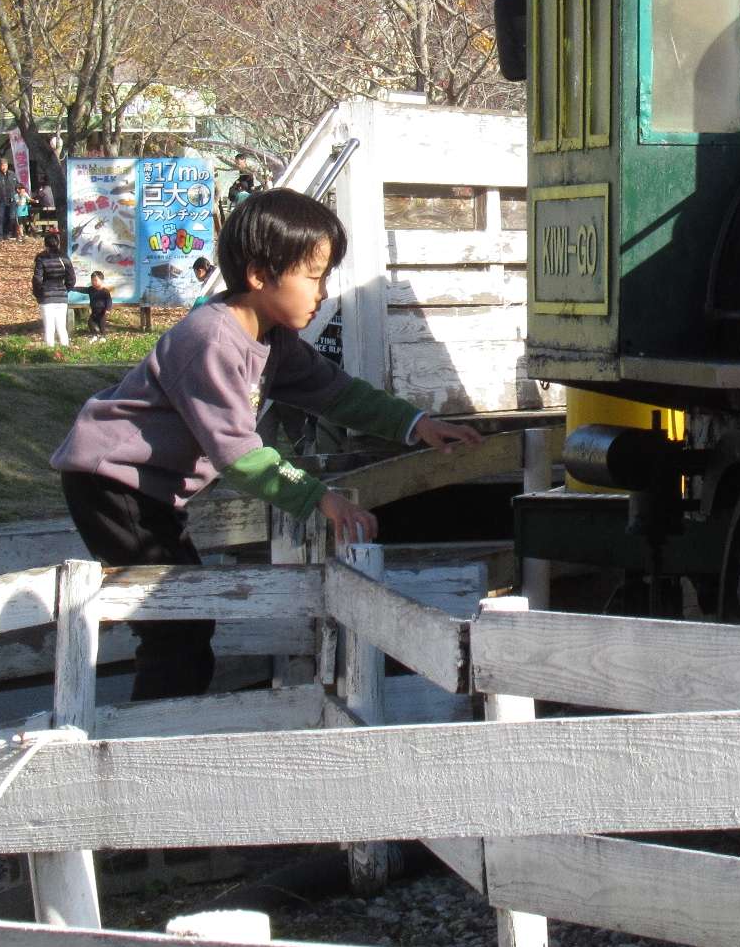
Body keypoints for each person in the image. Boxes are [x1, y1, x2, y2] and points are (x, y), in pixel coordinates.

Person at [50, 189, 484, 700]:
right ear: (259, 274)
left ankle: (160, 727)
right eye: (314, 276)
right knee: (176, 622)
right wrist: (321, 498)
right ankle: (151, 734)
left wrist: (416, 424)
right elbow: (240, 455)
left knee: (183, 619)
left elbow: (338, 394)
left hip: (148, 490)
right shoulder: (211, 339)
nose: (323, 292)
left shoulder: (273, 339)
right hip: (111, 480)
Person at [32, 228, 76, 347]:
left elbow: (37, 279)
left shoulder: (41, 258)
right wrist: (65, 289)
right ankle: (65, 350)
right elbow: (72, 278)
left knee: (49, 328)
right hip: (61, 296)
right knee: (61, 326)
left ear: (45, 244)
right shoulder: (64, 257)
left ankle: (49, 352)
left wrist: (38, 293)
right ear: (58, 243)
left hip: (46, 296)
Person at [85, 270, 112, 338]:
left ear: (101, 280)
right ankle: (94, 335)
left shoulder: (105, 291)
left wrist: (108, 309)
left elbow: (109, 300)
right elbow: (82, 289)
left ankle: (103, 336)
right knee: (90, 323)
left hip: (102, 312)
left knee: (101, 324)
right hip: (94, 312)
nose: (93, 282)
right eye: (92, 280)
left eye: (95, 280)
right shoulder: (90, 289)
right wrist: (72, 288)